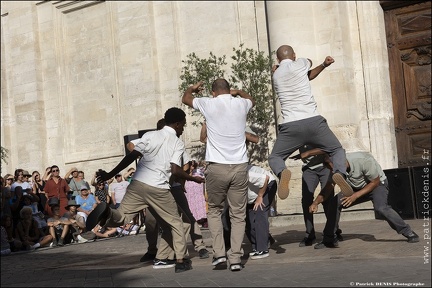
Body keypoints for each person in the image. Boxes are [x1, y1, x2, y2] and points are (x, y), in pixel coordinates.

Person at [89, 107, 204, 273]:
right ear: (177, 124)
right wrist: (193, 178)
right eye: (183, 125)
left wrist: (110, 174)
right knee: (178, 222)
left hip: (137, 184)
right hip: (158, 187)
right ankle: (181, 260)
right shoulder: (177, 142)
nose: (183, 129)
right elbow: (175, 170)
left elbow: (131, 156)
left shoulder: (150, 135)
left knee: (122, 216)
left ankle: (107, 213)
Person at [182, 79, 254, 272]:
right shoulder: (240, 103)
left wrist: (192, 88)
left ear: (213, 92)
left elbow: (186, 98)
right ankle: (236, 258)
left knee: (214, 210)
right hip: (239, 166)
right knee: (238, 214)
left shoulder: (209, 103)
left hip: (217, 166)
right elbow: (251, 99)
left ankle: (220, 254)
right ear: (228, 90)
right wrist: (238, 92)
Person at [268, 45, 352, 201]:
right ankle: (339, 172)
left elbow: (307, 76)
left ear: (278, 59)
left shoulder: (276, 75)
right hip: (314, 122)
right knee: (337, 150)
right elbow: (309, 62)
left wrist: (324, 66)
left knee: (275, 158)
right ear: (293, 55)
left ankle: (282, 172)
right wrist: (321, 62)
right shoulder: (300, 63)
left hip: (290, 126)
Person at [309, 151, 420, 248]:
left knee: (381, 208)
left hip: (376, 184)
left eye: (334, 168)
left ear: (341, 162)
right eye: (330, 168)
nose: (333, 170)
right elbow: (327, 189)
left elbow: (374, 182)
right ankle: (329, 239)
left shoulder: (363, 160)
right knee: (334, 202)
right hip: (354, 187)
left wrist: (355, 196)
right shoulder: (335, 170)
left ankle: (408, 232)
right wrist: (315, 202)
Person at [289, 145, 342, 247]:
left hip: (324, 165)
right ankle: (310, 234)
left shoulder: (317, 129)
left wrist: (308, 153)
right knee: (306, 200)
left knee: (328, 199)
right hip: (309, 168)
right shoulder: (298, 132)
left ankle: (333, 231)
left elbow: (328, 147)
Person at [245, 165, 277, 259]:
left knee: (260, 213)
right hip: (252, 195)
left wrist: (260, 196)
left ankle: (262, 249)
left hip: (267, 185)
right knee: (248, 221)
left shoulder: (244, 173)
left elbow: (265, 179)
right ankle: (257, 246)